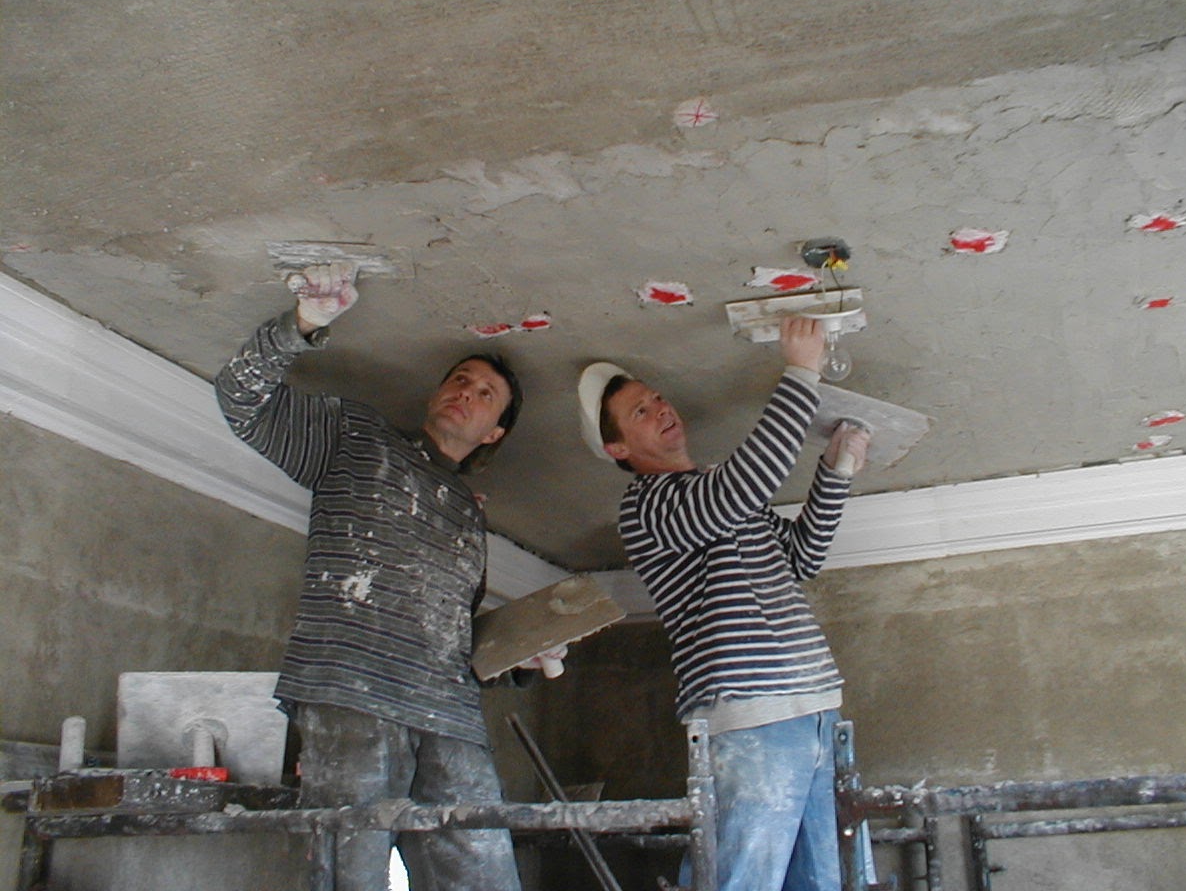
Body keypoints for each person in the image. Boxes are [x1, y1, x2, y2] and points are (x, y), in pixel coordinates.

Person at [216, 262, 536, 891]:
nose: (466, 391)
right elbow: (241, 402)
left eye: (485, 394)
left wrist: (529, 654)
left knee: (484, 875)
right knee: (350, 872)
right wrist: (305, 323)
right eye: (460, 379)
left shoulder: (472, 519)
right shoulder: (354, 437)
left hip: (450, 713)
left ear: (493, 432)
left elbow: (458, 638)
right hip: (353, 691)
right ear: (434, 393)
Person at [577, 315, 877, 891]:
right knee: (739, 881)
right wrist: (800, 373)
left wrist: (836, 470)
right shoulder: (649, 507)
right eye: (641, 411)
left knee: (837, 882)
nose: (662, 409)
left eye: (658, 399)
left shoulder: (722, 495)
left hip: (818, 709)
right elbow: (744, 485)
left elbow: (799, 559)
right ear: (618, 447)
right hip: (750, 717)